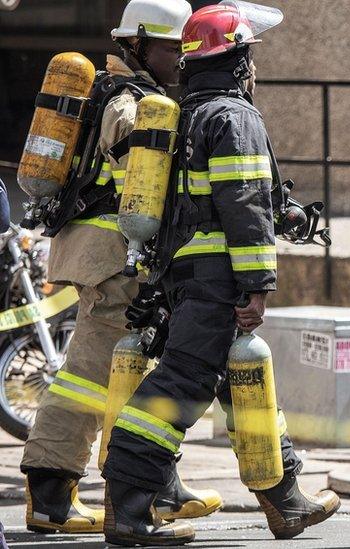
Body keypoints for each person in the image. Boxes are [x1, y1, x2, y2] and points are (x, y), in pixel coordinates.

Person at [100, 2, 339, 545]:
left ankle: (285, 500)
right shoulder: (233, 116)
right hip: (218, 276)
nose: (253, 67)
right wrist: (257, 286)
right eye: (248, 56)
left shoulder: (183, 112)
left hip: (180, 269)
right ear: (235, 60)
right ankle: (128, 506)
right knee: (184, 382)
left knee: (240, 381)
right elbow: (245, 205)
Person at [19, 0, 222, 535]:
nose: (179, 58)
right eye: (168, 47)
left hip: (101, 253)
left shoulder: (120, 94)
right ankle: (86, 495)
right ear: (137, 46)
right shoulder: (130, 104)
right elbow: (146, 179)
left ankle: (94, 493)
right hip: (114, 256)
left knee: (113, 372)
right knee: (96, 374)